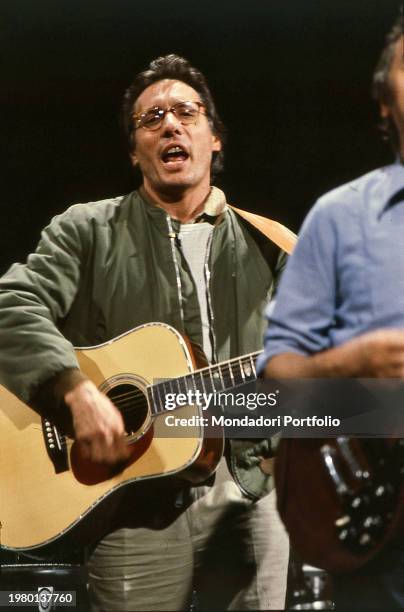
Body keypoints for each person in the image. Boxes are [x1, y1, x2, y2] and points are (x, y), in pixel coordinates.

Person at [0, 55, 290, 610]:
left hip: (253, 490)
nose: (169, 124)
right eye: (150, 118)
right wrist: (73, 391)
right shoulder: (87, 229)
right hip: (132, 503)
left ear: (214, 138)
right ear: (136, 151)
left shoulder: (273, 245)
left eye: (186, 112)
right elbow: (11, 303)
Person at [258, 16, 404, 610]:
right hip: (379, 528)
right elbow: (276, 378)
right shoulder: (338, 217)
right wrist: (351, 362)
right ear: (384, 102)